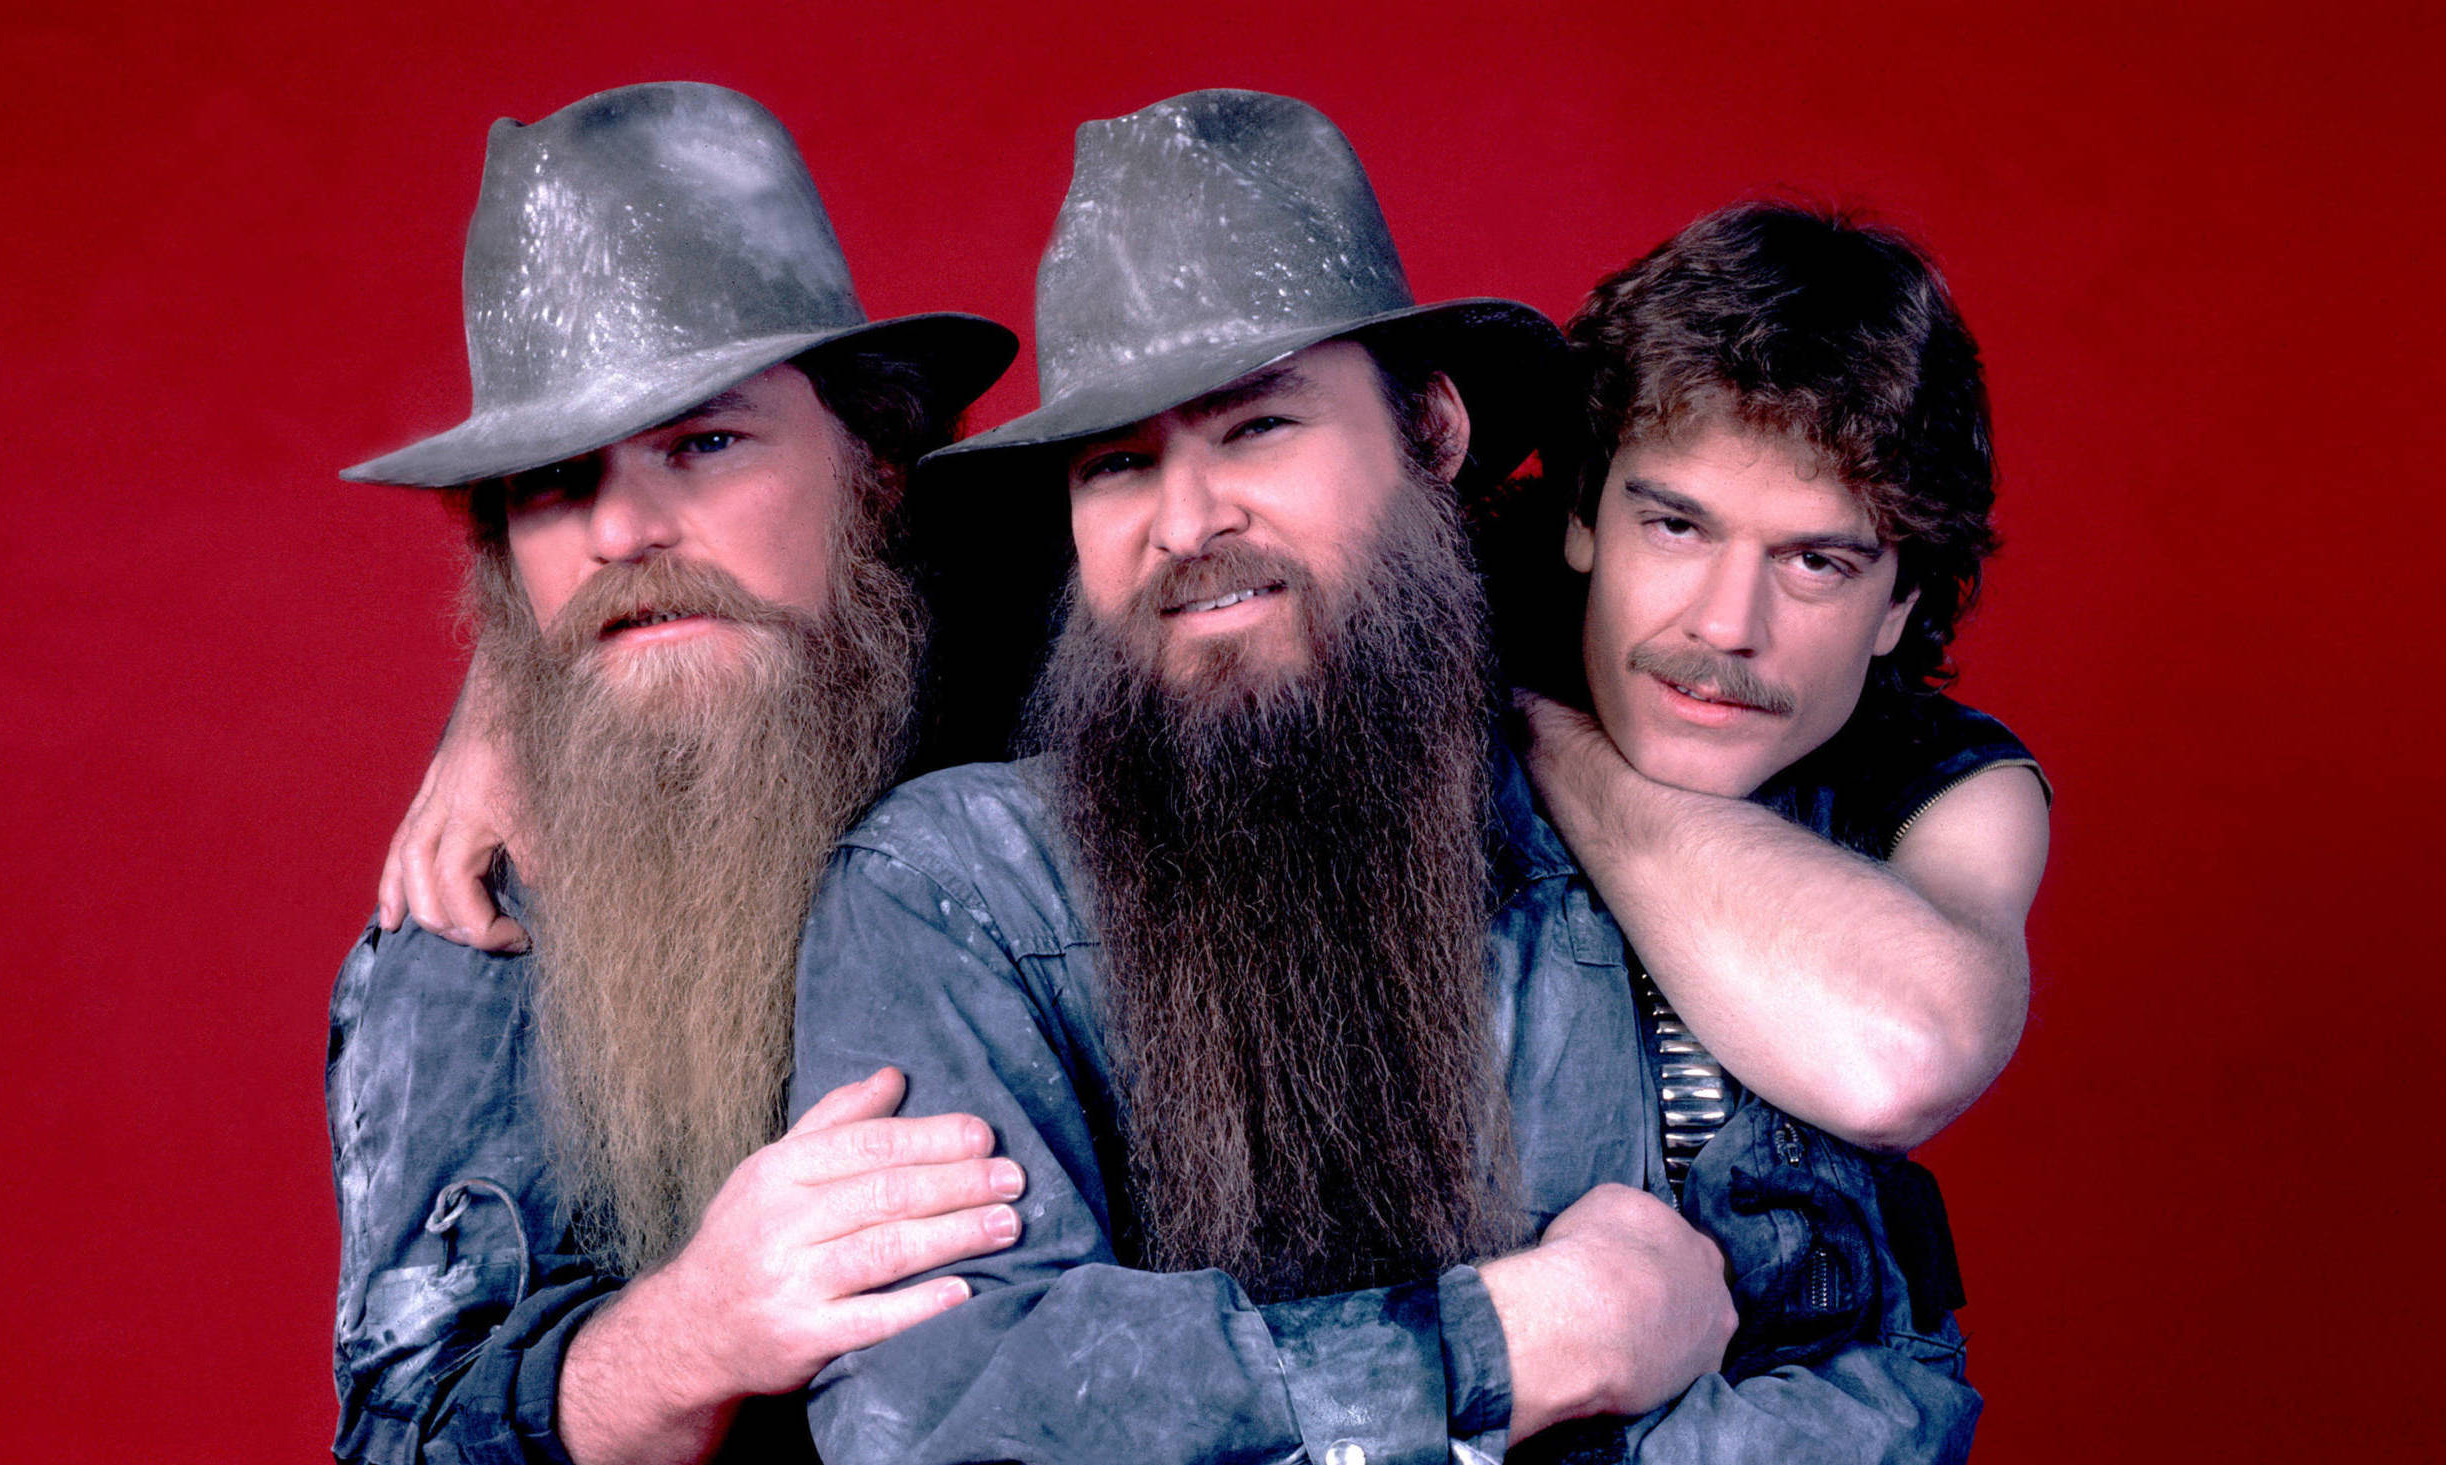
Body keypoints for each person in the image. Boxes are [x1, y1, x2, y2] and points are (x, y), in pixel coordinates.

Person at [789, 89, 1980, 1465]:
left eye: (1255, 431)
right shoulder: (953, 890)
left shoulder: (1668, 840)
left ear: (1429, 433)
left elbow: (1866, 1391)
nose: (1187, 521)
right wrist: (1504, 1341)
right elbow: (947, 1418)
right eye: (1119, 464)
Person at [326, 82, 1032, 1465]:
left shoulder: (1056, 639)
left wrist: (1588, 782)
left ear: (878, 471)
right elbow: (402, 1436)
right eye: (551, 483)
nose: (621, 531)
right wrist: (687, 1336)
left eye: (702, 443)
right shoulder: (471, 933)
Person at [1500, 203, 2053, 1172]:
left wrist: (1550, 742)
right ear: (1583, 514)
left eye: (1814, 563)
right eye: (1678, 528)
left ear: (1898, 603)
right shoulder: (1400, 682)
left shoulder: (1953, 784)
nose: (1725, 626)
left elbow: (1900, 1059)